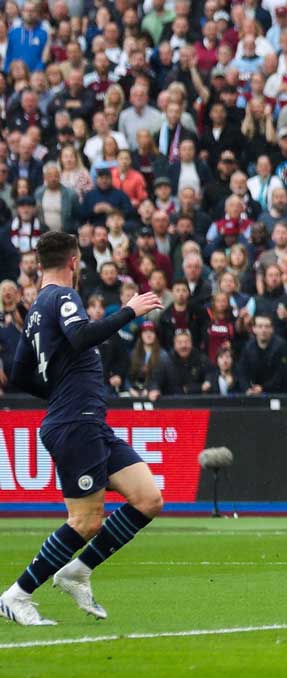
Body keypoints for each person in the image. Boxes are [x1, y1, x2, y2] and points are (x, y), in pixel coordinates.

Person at [1, 231, 164, 625]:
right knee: (86, 521)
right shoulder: (62, 297)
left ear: (40, 264)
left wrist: (58, 388)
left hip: (86, 419)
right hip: (76, 422)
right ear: (74, 262)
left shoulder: (37, 308)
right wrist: (129, 311)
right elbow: (80, 335)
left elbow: (19, 373)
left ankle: (77, 571)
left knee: (148, 498)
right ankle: (16, 595)